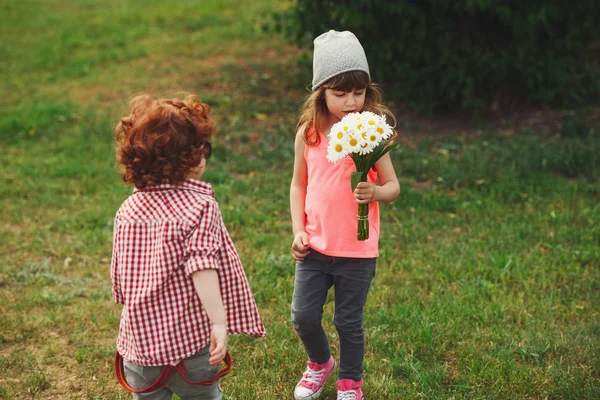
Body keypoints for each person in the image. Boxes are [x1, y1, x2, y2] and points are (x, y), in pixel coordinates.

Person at [110, 94, 265, 400]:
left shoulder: (127, 209)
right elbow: (202, 267)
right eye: (201, 149)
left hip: (139, 349)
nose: (205, 156)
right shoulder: (199, 206)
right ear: (188, 159)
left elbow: (120, 272)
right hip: (191, 350)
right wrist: (219, 322)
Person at [289, 30, 400, 400]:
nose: (352, 102)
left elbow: (393, 187)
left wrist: (375, 193)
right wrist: (298, 229)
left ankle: (350, 384)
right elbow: (298, 185)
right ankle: (320, 363)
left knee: (347, 322)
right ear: (320, 91)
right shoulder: (309, 134)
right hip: (315, 247)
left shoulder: (370, 135)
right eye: (340, 93)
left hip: (356, 249)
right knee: (303, 316)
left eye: (359, 91)